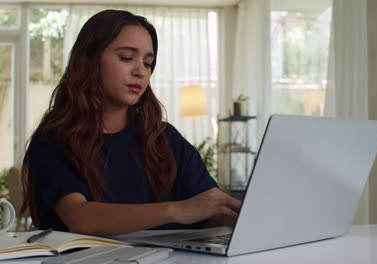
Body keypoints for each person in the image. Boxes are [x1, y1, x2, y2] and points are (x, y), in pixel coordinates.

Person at [20, 9, 240, 236]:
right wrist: (177, 210)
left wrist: (244, 215)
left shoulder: (165, 138)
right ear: (89, 60)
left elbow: (208, 210)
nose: (140, 72)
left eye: (147, 63)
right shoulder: (52, 139)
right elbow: (80, 218)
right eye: (127, 58)